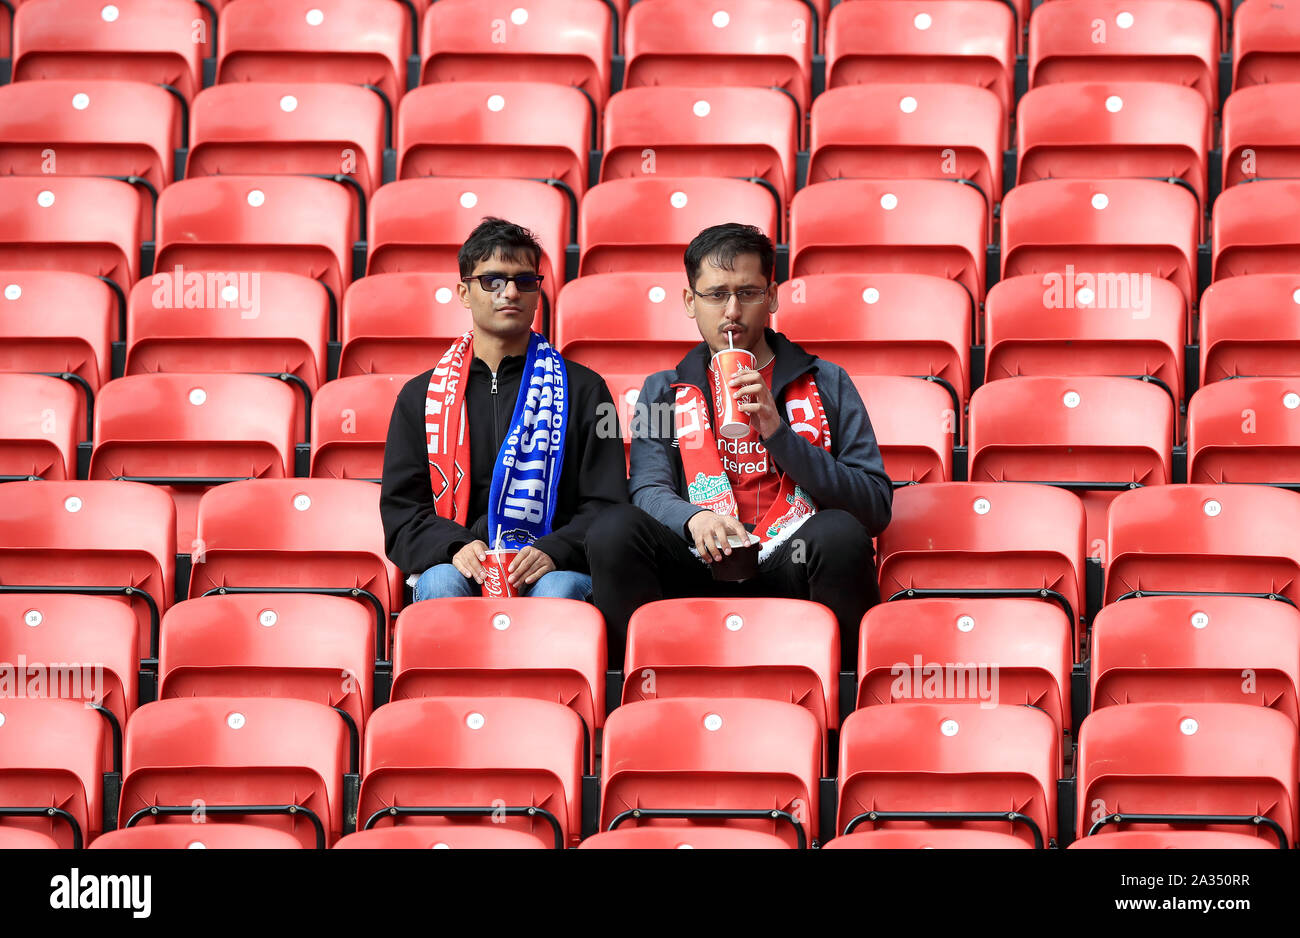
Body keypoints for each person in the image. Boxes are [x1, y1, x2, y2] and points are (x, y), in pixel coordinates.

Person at [586, 223, 892, 661]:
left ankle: (841, 699)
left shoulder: (825, 381)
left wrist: (777, 433)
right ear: (691, 302)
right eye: (716, 295)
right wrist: (695, 520)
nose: (732, 311)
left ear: (771, 296)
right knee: (613, 530)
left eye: (747, 293)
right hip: (699, 560)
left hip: (793, 560)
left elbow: (874, 506)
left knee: (840, 533)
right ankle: (634, 689)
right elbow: (648, 490)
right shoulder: (664, 389)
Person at [381, 218, 627, 602]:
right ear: (464, 292)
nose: (510, 292)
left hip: (552, 566)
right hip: (460, 562)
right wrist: (456, 547)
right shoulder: (421, 397)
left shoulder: (584, 390)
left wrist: (555, 550)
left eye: (525, 281)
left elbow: (607, 504)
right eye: (493, 281)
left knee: (558, 588)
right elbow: (402, 514)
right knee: (441, 583)